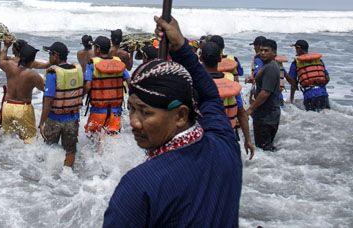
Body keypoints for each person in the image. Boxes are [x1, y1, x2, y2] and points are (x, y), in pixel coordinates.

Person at [103, 15, 241, 227]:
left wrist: (180, 47)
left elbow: (209, 96)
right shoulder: (225, 145)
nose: (134, 122)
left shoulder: (139, 186)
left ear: (181, 115)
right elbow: (210, 97)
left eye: (145, 112)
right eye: (131, 109)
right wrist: (180, 46)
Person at [200, 40, 255, 160]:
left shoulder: (195, 83)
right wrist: (248, 140)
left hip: (204, 141)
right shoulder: (231, 83)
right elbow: (241, 113)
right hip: (228, 138)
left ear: (201, 58)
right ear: (220, 59)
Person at [38, 42, 85, 167]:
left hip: (54, 119)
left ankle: (47, 174)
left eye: (50, 54)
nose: (49, 57)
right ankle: (67, 173)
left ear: (56, 55)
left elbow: (48, 100)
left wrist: (41, 123)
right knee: (70, 151)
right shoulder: (77, 71)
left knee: (49, 148)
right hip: (73, 119)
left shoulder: (53, 73)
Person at [0, 39, 45, 142]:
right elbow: (44, 89)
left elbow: (1, 60)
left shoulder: (9, 65)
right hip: (23, 108)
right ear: (32, 61)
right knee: (30, 140)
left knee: (8, 139)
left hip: (7, 106)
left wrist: (6, 46)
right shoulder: (33, 75)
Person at [84, 36, 130, 135]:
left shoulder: (92, 64)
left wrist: (80, 97)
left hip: (98, 112)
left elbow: (87, 86)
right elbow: (129, 82)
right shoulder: (119, 62)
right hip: (115, 112)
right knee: (113, 139)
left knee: (93, 139)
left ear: (98, 49)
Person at [246, 39, 282, 151]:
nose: (262, 53)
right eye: (261, 50)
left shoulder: (270, 68)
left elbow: (265, 92)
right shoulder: (268, 65)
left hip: (266, 115)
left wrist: (250, 109)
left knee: (264, 149)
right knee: (267, 148)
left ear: (274, 53)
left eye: (266, 51)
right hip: (268, 113)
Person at [285, 39, 330, 111]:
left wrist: (291, 98)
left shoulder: (296, 63)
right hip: (323, 94)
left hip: (309, 96)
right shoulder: (318, 61)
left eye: (296, 48)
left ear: (299, 48)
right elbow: (327, 78)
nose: (296, 51)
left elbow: (293, 82)